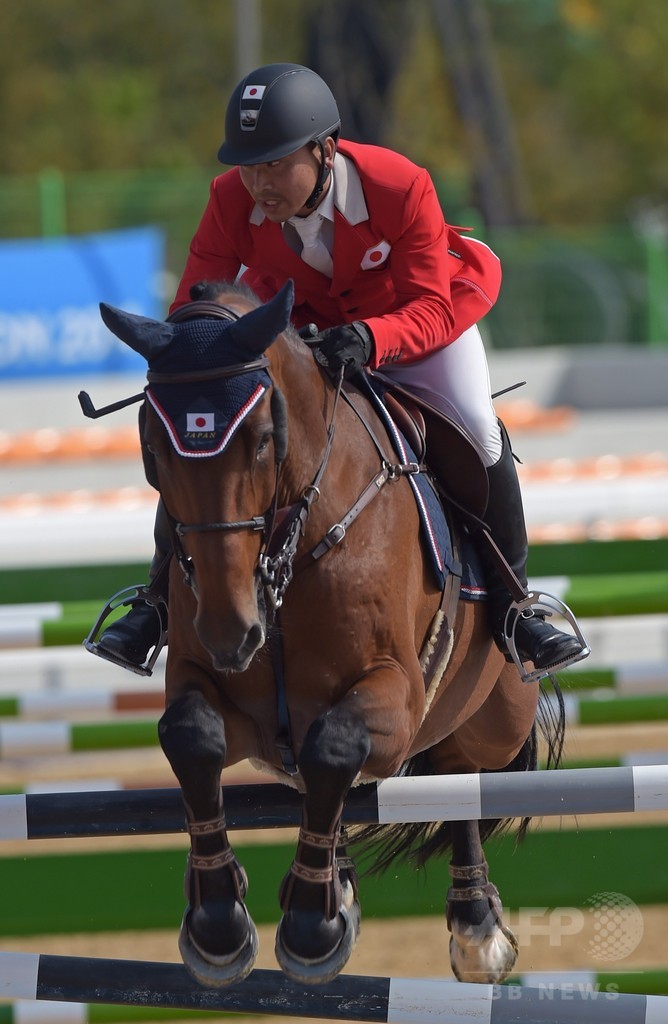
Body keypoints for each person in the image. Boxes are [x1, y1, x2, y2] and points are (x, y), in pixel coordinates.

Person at [94, 62, 587, 677]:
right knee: (210, 444)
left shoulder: (398, 186)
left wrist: (370, 337)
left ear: (324, 151)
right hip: (306, 337)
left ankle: (517, 608)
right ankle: (158, 606)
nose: (259, 183)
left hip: (416, 330)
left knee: (479, 430)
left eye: (275, 164)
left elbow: (431, 305)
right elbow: (195, 304)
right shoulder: (230, 200)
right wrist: (193, 365)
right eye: (249, 166)